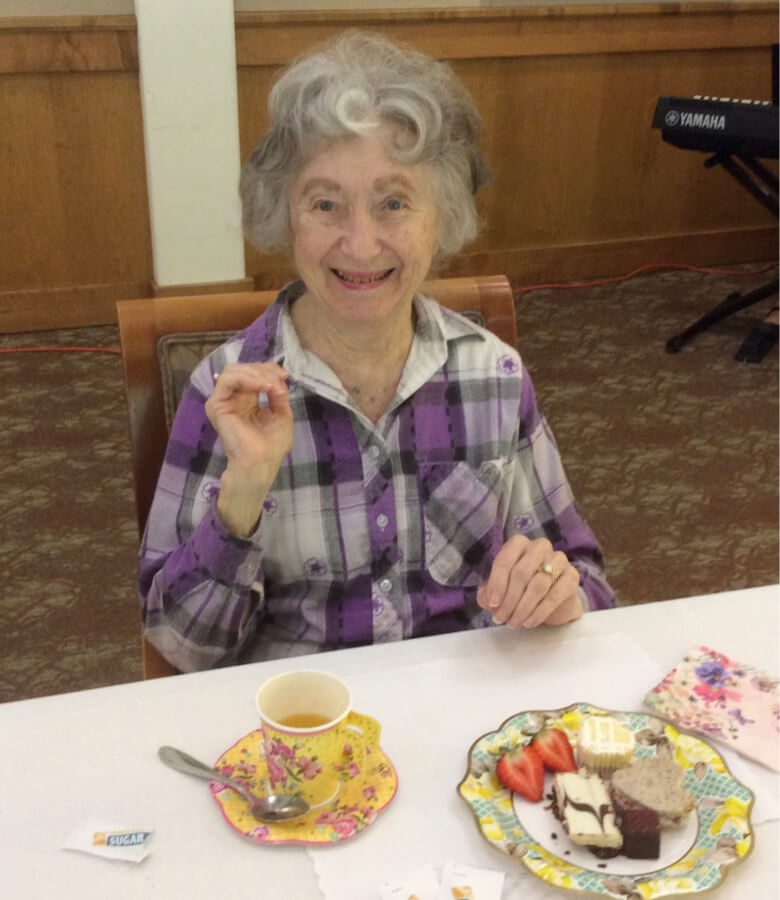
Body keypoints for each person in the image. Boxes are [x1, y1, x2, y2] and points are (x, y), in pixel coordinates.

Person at [139, 31, 615, 672]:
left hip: (465, 731)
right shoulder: (226, 390)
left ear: (441, 215)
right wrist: (242, 495)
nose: (360, 245)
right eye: (326, 203)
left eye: (393, 203)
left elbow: (588, 584)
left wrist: (557, 591)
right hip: (302, 736)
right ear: (286, 217)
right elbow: (181, 646)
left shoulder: (491, 375)